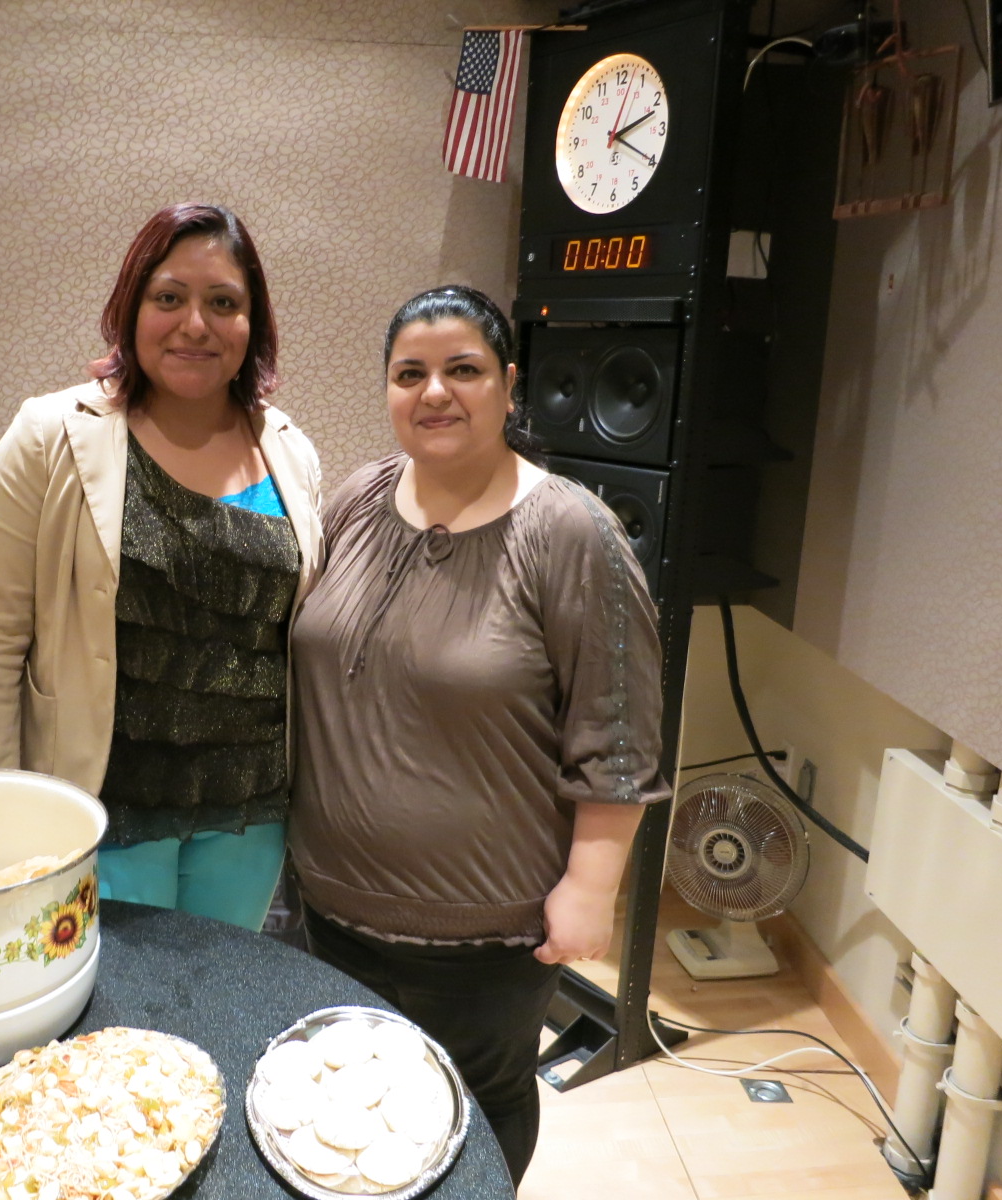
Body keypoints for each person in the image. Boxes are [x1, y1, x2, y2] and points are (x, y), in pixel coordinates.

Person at [288, 284, 668, 1186]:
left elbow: (619, 731)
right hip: (331, 907)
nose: (434, 392)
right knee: (352, 1117)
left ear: (508, 385)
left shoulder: (571, 532)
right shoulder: (355, 499)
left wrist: (590, 886)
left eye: (462, 370)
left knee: (468, 1114)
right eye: (409, 373)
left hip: (485, 935)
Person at [0, 203, 323, 931]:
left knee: (217, 1007)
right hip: (101, 808)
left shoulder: (291, 452)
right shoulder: (48, 437)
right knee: (110, 1026)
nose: (195, 324)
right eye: (169, 297)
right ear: (131, 307)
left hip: (248, 812)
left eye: (223, 302)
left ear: (254, 325)